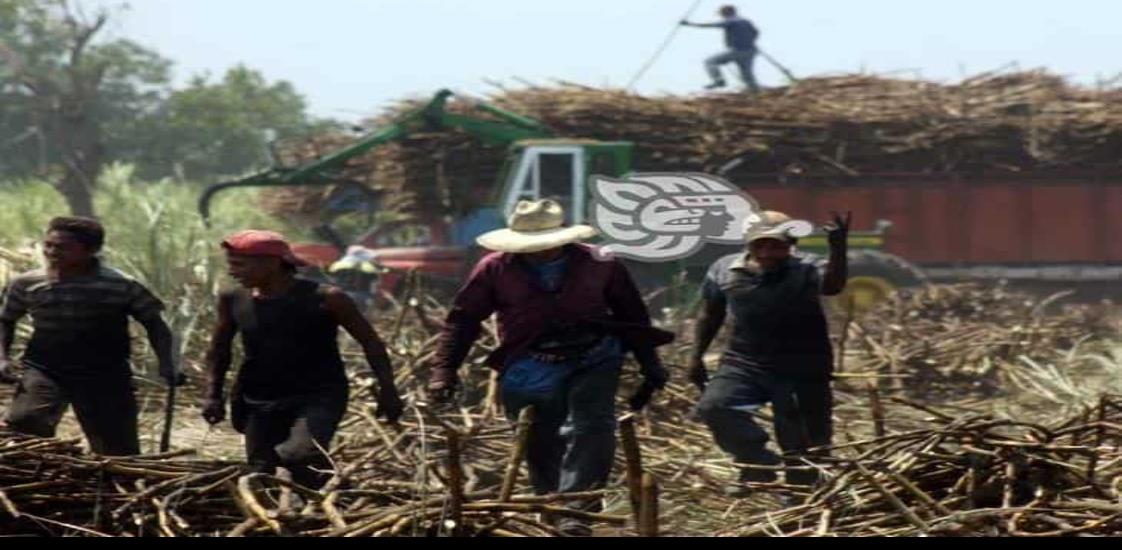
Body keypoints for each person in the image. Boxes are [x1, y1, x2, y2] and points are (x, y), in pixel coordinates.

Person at [426, 199, 673, 536]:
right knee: (538, 440)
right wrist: (444, 371)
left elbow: (632, 314)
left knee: (590, 428)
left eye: (547, 246)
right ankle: (553, 506)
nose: (539, 253)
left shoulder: (599, 263)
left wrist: (650, 363)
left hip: (594, 355)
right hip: (528, 362)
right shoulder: (495, 268)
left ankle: (578, 512)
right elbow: (463, 320)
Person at [201, 230, 403, 489]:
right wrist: (212, 395)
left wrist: (388, 390)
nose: (232, 272)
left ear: (272, 263)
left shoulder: (327, 298)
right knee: (263, 473)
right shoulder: (234, 300)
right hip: (258, 398)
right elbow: (219, 350)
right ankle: (317, 505)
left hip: (318, 395)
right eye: (231, 264)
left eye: (239, 264)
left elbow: (371, 344)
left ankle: (326, 492)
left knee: (298, 454)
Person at [690, 211, 850, 497]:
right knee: (714, 407)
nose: (767, 253)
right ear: (748, 244)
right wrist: (695, 357)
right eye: (759, 245)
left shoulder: (807, 267)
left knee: (801, 440)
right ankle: (755, 462)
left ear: (790, 245)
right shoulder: (724, 269)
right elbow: (709, 314)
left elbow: (833, 285)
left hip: (802, 364)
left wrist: (838, 248)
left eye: (776, 246)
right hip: (744, 360)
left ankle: (800, 501)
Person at [0, 216, 178, 456]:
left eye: (62, 247)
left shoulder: (120, 284)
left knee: (116, 446)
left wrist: (167, 363)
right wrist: (2, 357)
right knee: (25, 424)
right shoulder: (27, 283)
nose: (51, 252)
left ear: (90, 250)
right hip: (46, 368)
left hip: (105, 371)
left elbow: (155, 324)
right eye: (49, 245)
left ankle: (114, 489)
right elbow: (6, 320)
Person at [681, 4, 762, 92]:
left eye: (722, 14)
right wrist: (749, 41)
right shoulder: (746, 21)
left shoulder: (731, 20)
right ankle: (755, 91)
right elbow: (756, 32)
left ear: (726, 13)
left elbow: (712, 25)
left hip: (737, 51)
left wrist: (690, 24)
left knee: (710, 61)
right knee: (747, 74)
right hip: (750, 51)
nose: (721, 16)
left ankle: (719, 80)